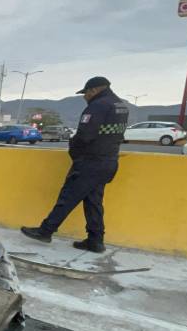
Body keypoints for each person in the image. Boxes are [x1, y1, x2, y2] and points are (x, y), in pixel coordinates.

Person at [20, 76, 128, 253]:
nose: (85, 97)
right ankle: (95, 240)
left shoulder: (98, 106)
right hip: (109, 161)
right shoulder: (121, 106)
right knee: (93, 201)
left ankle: (45, 231)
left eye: (86, 93)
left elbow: (84, 135)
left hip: (90, 161)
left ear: (94, 90)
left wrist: (75, 153)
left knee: (68, 196)